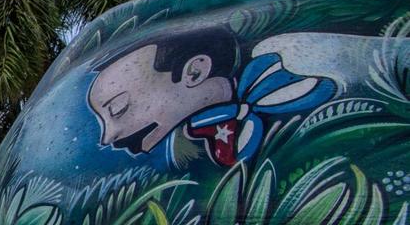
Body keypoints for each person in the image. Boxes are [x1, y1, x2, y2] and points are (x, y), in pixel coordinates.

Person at [88, 27, 336, 166]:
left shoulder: (287, 65)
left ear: (195, 71)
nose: (108, 137)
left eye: (119, 109)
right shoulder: (179, 149)